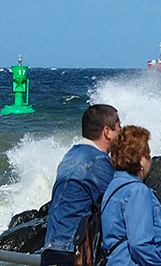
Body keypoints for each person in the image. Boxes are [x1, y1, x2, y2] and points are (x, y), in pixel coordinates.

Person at [41, 104, 121, 266]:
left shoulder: (71, 155)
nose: (122, 131)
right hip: (73, 253)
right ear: (107, 131)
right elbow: (119, 202)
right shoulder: (96, 161)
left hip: (52, 248)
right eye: (119, 126)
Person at [101, 125, 161, 266]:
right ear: (140, 160)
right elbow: (140, 244)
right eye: (148, 154)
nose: (150, 160)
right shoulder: (137, 191)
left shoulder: (113, 187)